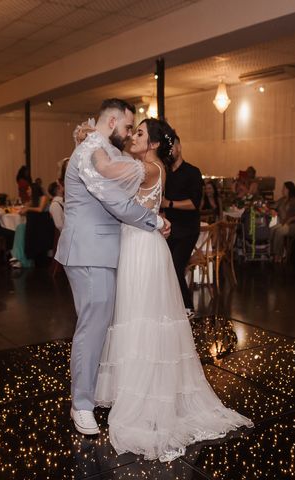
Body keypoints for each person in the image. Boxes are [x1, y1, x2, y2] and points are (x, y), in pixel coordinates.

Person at [94, 118, 252, 462]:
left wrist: (96, 140)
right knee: (138, 315)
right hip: (140, 243)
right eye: (133, 131)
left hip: (141, 249)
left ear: (152, 143)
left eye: (138, 133)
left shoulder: (148, 168)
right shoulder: (152, 165)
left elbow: (106, 175)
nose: (133, 137)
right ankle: (136, 386)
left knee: (143, 316)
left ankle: (147, 394)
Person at [54, 98, 170, 438]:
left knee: (98, 325)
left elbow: (128, 179)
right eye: (127, 127)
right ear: (112, 122)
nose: (129, 133)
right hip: (89, 251)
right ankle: (82, 404)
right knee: (92, 328)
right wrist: (154, 219)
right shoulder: (92, 151)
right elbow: (116, 202)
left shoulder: (102, 147)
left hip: (100, 251)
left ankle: (88, 396)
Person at [161, 135, 203, 318]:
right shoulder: (166, 172)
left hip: (188, 230)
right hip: (170, 229)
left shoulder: (193, 172)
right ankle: (172, 306)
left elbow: (194, 203)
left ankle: (188, 307)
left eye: (171, 147)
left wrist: (168, 203)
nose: (169, 151)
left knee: (176, 266)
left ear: (179, 146)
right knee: (165, 266)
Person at [270, 181, 295, 262]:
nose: (282, 190)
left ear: (289, 190)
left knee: (279, 231)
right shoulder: (282, 200)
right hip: (285, 224)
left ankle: (278, 255)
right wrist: (272, 210)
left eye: (284, 188)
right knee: (272, 229)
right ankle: (273, 252)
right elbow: (272, 207)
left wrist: (292, 219)